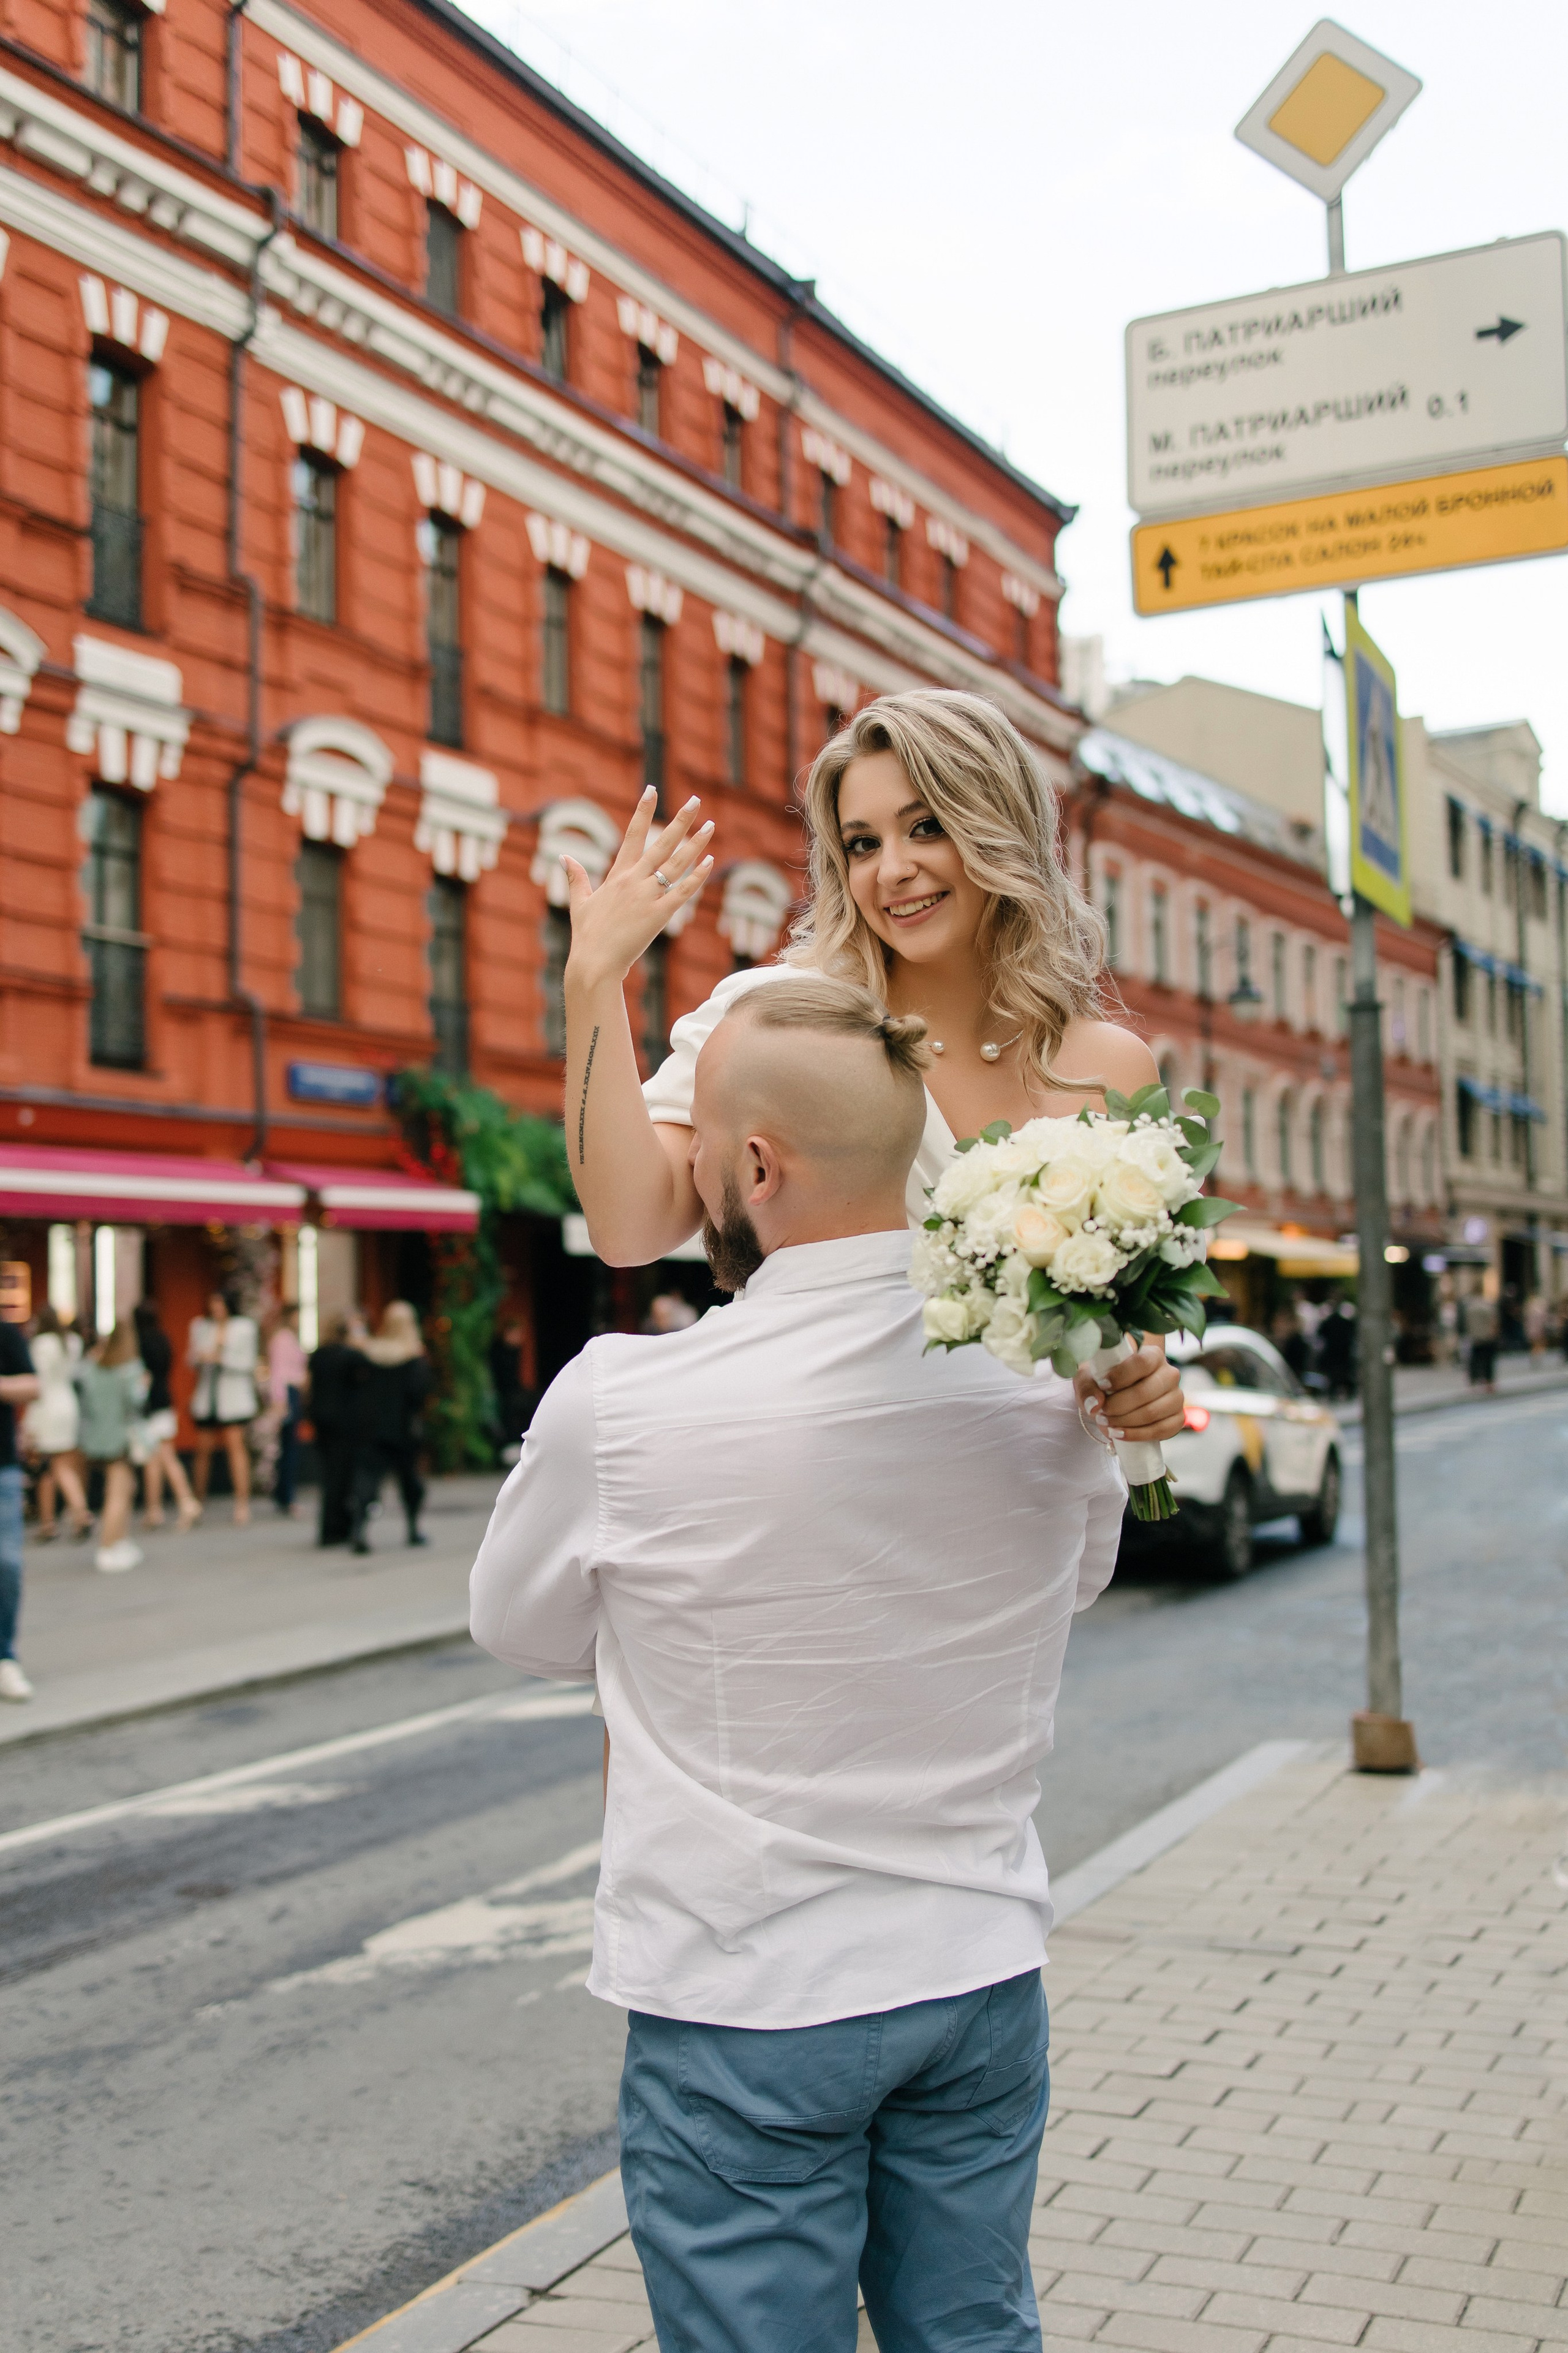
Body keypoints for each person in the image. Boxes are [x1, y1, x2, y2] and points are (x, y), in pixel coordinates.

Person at [472, 979, 1128, 2353]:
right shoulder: (1045, 1391)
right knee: (975, 2332)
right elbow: (1075, 1579)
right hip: (976, 1973)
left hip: (746, 1991)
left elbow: (519, 1629)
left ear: (754, 1168)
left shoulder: (621, 1400)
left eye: (697, 1139)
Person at [562, 687, 1183, 1452]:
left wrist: (1144, 1384)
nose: (891, 870)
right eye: (861, 844)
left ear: (1000, 828)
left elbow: (1129, 1329)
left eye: (926, 828)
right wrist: (592, 982)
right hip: (822, 1465)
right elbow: (627, 1227)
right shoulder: (777, 1022)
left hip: (1029, 1490)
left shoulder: (1108, 1067)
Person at [347, 1302, 431, 1554]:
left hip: (372, 1428)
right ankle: (413, 1528)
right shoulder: (414, 1357)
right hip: (403, 1429)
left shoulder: (370, 1353)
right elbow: (419, 1394)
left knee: (367, 1481)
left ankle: (359, 1529)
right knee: (410, 1481)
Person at [75, 1323, 149, 1573]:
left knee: (123, 1489)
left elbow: (84, 1398)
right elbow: (135, 1402)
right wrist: (144, 1385)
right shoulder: (129, 1368)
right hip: (120, 1438)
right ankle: (108, 1546)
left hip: (99, 1437)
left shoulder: (92, 1368)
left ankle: (119, 1541)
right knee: (118, 1494)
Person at [187, 1289, 259, 1523]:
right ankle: (196, 1502)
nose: (216, 1309)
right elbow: (190, 1358)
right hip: (208, 1396)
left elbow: (248, 1362)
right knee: (203, 1450)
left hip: (233, 1396)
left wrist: (221, 1357)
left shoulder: (244, 1328)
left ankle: (242, 1502)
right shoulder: (201, 1327)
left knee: (236, 1447)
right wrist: (202, 1357)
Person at [131, 1300, 200, 1533]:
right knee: (156, 1459)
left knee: (164, 1458)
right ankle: (154, 1510)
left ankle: (186, 1502)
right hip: (165, 1402)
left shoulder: (139, 1343)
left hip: (149, 1407)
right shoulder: (163, 1339)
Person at [24, 1303, 91, 1541]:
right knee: (54, 1467)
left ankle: (78, 1514)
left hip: (48, 1408)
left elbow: (39, 1384)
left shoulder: (41, 1345)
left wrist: (29, 1422)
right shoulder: (72, 1343)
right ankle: (50, 1522)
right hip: (68, 1404)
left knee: (55, 1466)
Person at [0, 1315, 42, 1701]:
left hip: (2, 1468)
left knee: (8, 1564)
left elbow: (33, 1385)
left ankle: (5, 1657)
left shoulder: (5, 1333)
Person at [307, 1311, 367, 1546]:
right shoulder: (352, 1357)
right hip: (345, 1423)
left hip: (321, 1420)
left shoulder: (318, 1355)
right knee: (343, 1475)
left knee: (329, 1474)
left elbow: (310, 1387)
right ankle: (337, 1527)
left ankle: (330, 1527)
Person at [267, 1303, 307, 1516]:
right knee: (289, 1447)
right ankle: (286, 1497)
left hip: (293, 1393)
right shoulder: (283, 1339)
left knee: (289, 1446)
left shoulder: (289, 1338)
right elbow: (279, 1373)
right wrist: (280, 1401)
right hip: (287, 1395)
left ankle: (284, 1495)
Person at [1462, 1285, 1499, 1392]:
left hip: (1475, 1337)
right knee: (1488, 1361)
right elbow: (1493, 1320)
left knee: (1475, 1360)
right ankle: (1489, 1382)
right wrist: (1494, 1333)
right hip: (1487, 1337)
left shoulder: (1470, 1307)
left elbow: (1466, 1323)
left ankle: (1474, 1381)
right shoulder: (1487, 1306)